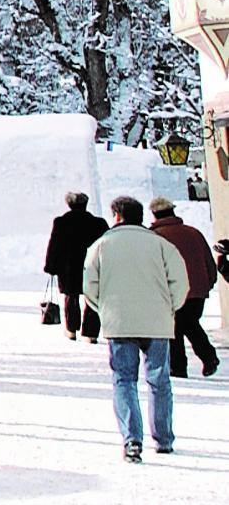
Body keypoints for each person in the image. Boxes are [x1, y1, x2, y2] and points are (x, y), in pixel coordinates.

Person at [82, 195, 188, 463]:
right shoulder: (161, 245)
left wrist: (104, 309)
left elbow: (89, 285)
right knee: (159, 381)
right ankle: (163, 439)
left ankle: (132, 440)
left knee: (124, 380)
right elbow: (180, 282)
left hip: (119, 322)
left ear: (116, 215)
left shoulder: (101, 245)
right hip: (157, 322)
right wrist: (168, 308)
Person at [148, 197, 218, 379]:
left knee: (174, 328)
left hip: (170, 291)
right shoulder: (193, 232)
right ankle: (207, 357)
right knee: (189, 323)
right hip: (197, 290)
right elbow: (208, 260)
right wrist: (209, 282)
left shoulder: (154, 237)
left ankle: (180, 366)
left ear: (154, 215)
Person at [42, 192, 108, 342]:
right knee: (92, 299)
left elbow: (54, 246)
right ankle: (90, 333)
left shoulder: (61, 222)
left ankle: (71, 330)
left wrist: (51, 266)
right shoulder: (98, 223)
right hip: (92, 266)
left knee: (70, 298)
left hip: (68, 268)